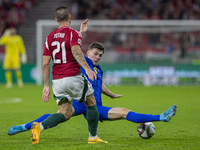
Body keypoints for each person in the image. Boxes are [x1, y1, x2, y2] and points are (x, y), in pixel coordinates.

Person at [7, 42, 177, 139]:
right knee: (124, 112)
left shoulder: (99, 69)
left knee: (61, 115)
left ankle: (29, 126)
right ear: (88, 53)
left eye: (100, 55)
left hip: (94, 104)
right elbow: (75, 50)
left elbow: (98, 84)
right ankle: (160, 117)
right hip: (84, 103)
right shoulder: (84, 61)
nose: (97, 57)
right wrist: (81, 32)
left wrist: (110, 93)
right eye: (95, 54)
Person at [28, 5, 107, 145]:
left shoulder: (49, 38)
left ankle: (39, 126)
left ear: (56, 19)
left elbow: (45, 64)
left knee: (65, 112)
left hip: (57, 81)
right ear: (70, 17)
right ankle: (93, 138)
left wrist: (46, 85)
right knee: (92, 102)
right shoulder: (72, 33)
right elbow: (76, 51)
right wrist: (87, 68)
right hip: (73, 77)